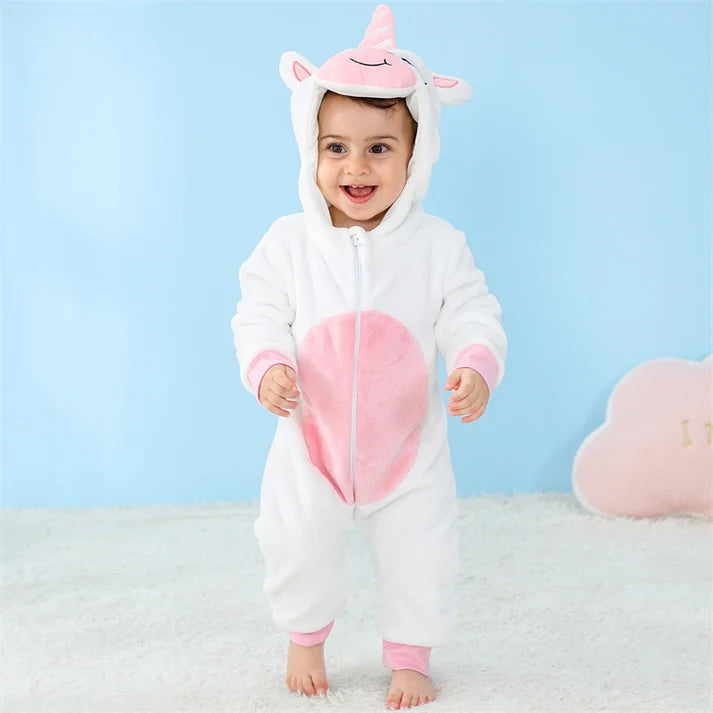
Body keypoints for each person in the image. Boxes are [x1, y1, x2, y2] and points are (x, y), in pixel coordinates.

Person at [230, 5, 507, 710]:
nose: (355, 166)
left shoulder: (436, 245)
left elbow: (470, 309)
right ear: (311, 149)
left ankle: (410, 655)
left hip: (407, 448)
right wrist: (268, 364)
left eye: (379, 147)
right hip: (311, 441)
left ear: (417, 155)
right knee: (294, 540)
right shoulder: (289, 243)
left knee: (423, 550)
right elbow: (257, 312)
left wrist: (474, 360)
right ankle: (305, 636)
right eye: (336, 147)